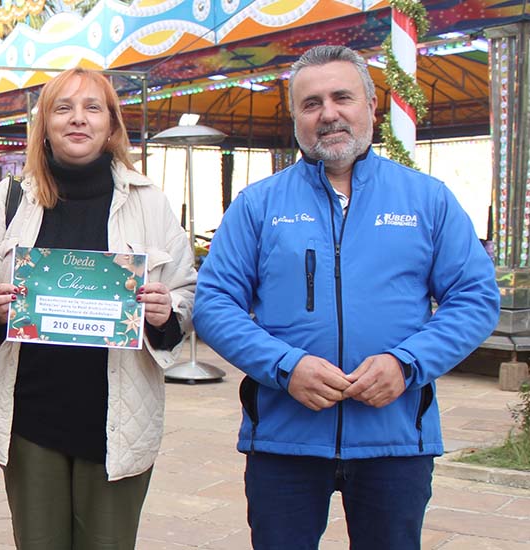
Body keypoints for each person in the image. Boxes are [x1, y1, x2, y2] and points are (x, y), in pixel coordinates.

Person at [193, 45, 500, 550]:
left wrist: (406, 364)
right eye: (311, 103)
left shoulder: (427, 199)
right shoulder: (258, 205)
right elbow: (215, 304)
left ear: (371, 106)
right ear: (295, 117)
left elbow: (474, 298)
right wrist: (286, 367)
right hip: (284, 438)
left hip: (395, 437)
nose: (328, 113)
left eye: (342, 97)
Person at [0, 67, 198, 549]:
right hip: (30, 420)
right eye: (63, 108)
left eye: (92, 108)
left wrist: (164, 311)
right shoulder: (8, 200)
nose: (78, 119)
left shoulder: (149, 203)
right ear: (44, 123)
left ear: (111, 124)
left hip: (116, 421)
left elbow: (186, 293)